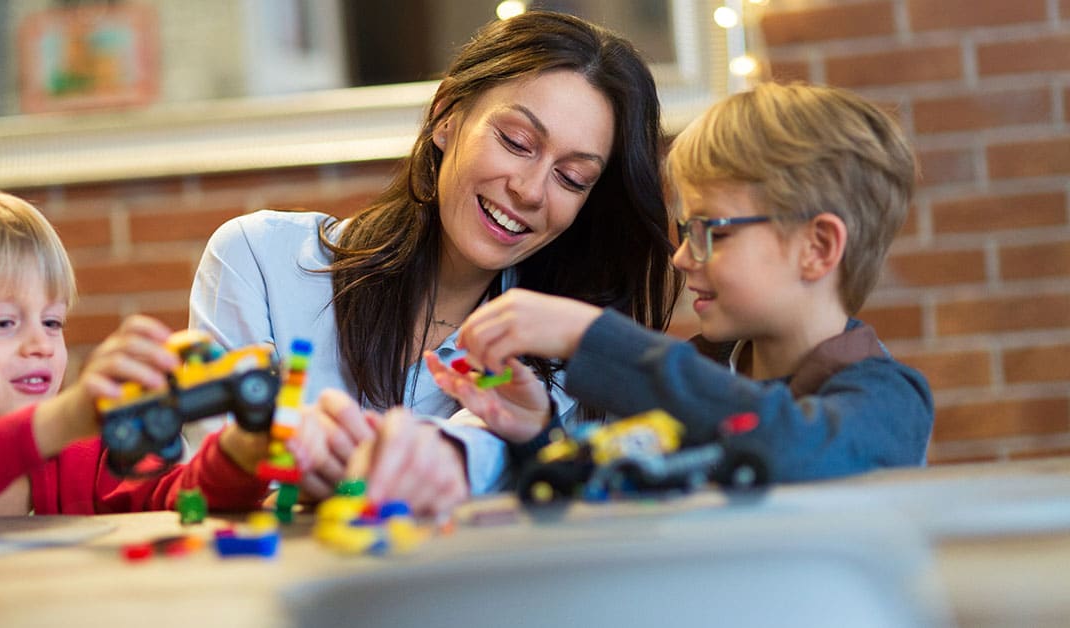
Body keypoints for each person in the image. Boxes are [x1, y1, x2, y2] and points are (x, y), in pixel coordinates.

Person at [187, 10, 676, 513]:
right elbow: (205, 489)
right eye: (516, 142)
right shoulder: (258, 260)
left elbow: (485, 457)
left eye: (571, 178)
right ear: (447, 116)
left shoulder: (557, 357)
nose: (530, 191)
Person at [437, 81, 933, 482]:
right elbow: (616, 495)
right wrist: (534, 437)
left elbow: (788, 446)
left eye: (708, 232)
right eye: (684, 232)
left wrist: (591, 337)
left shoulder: (887, 398)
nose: (680, 258)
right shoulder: (697, 374)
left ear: (817, 247)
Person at [0, 191, 278, 540]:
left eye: (52, 322)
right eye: (3, 323)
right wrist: (66, 416)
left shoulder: (88, 459)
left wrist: (241, 454)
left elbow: (181, 501)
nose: (40, 345)